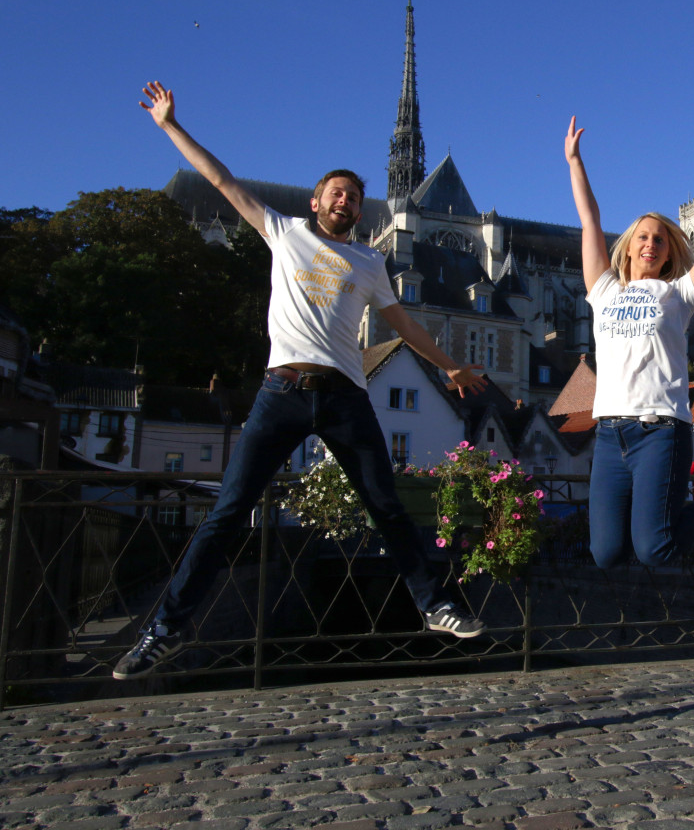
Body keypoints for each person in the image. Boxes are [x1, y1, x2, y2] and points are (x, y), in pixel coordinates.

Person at [113, 81, 490, 681]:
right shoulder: (282, 231)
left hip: (344, 394)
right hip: (282, 392)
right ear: (315, 201)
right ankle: (165, 630)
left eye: (354, 197)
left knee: (387, 508)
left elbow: (404, 326)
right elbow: (221, 181)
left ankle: (435, 604)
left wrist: (451, 368)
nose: (346, 201)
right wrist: (169, 127)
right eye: (337, 193)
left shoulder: (370, 262)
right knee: (228, 512)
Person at [565, 117, 694, 568]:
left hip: (660, 430)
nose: (651, 243)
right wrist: (574, 161)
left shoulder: (680, 294)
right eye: (643, 236)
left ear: (668, 252)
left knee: (656, 549)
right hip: (608, 434)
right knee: (605, 554)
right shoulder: (604, 291)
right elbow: (590, 219)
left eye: (660, 239)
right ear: (626, 248)